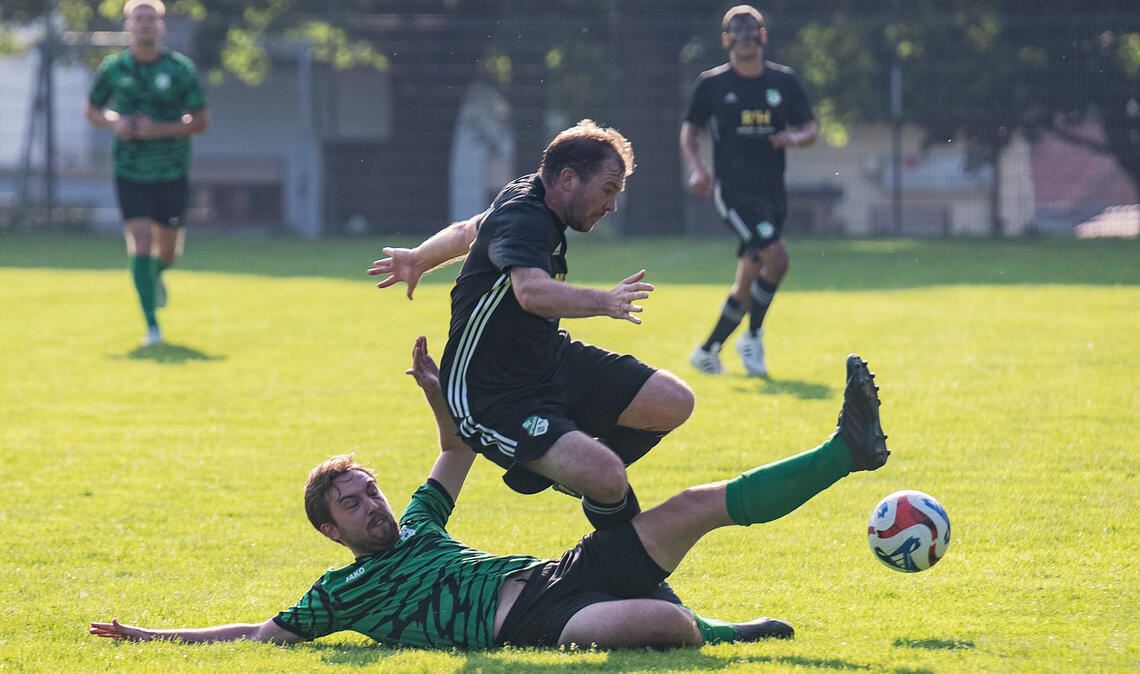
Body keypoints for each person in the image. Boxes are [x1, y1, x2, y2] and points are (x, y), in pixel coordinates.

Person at [90, 337, 890, 650]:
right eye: (353, 505)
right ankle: (715, 627)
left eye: (369, 491)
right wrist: (148, 637)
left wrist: (437, 391)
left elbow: (451, 447)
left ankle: (843, 450)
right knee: (658, 624)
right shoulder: (340, 593)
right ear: (330, 533)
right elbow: (259, 635)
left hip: (556, 573)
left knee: (692, 505)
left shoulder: (419, 523)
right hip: (533, 624)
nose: (372, 506)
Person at [369, 120, 695, 532]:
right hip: (491, 393)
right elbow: (532, 293)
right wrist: (605, 301)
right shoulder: (526, 218)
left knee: (673, 401)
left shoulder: (529, 193)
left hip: (547, 359)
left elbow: (468, 230)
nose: (612, 205)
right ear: (568, 177)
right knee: (609, 477)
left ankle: (555, 468)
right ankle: (615, 541)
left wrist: (419, 258)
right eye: (608, 190)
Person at [682, 5, 818, 377]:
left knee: (746, 281)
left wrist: (795, 137)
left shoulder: (784, 82)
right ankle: (753, 337)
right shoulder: (712, 84)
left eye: (751, 30)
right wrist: (698, 169)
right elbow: (690, 131)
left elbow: (810, 127)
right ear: (726, 40)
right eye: (736, 32)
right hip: (735, 193)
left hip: (773, 193)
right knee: (778, 258)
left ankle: (707, 350)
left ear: (763, 36)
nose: (745, 37)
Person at [85, 0, 209, 346]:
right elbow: (92, 109)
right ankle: (152, 328)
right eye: (137, 19)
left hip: (171, 170)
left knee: (167, 253)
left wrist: (160, 129)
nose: (144, 24)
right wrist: (115, 121)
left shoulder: (180, 69)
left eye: (150, 19)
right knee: (139, 242)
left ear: (161, 27)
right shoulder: (113, 68)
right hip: (130, 169)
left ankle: (155, 276)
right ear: (127, 27)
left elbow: (200, 121)